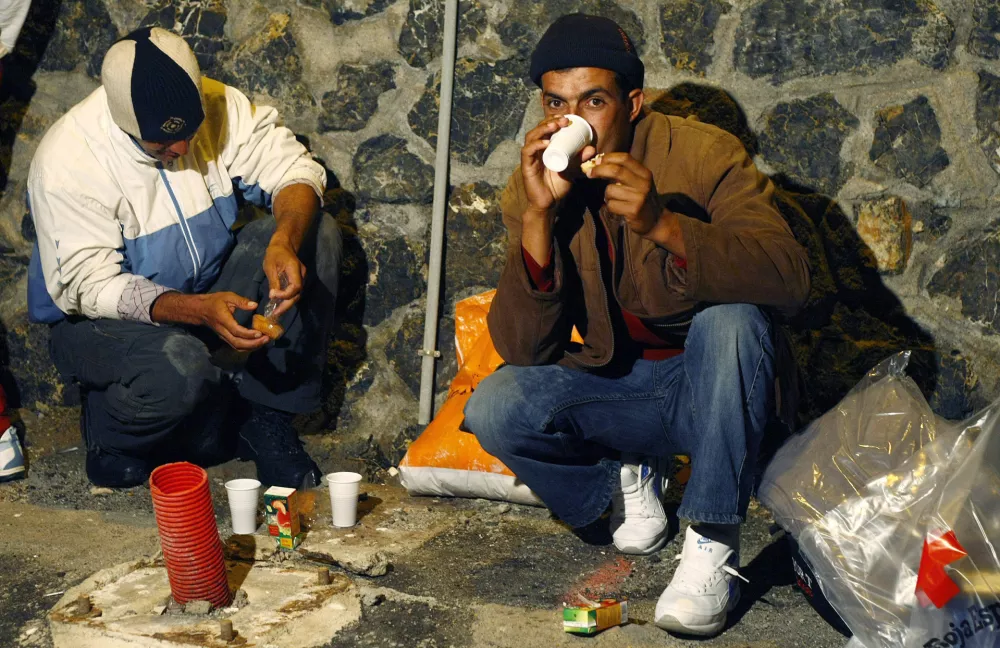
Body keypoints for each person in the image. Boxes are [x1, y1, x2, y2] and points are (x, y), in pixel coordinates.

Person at [462, 14, 810, 637]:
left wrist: (664, 225)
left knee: (730, 321)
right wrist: (538, 219)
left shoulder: (705, 153)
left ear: (632, 103)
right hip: (617, 385)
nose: (573, 120)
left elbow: (790, 277)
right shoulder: (536, 180)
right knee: (496, 404)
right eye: (556, 103)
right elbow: (523, 347)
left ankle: (710, 542)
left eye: (593, 101)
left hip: (714, 387)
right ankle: (621, 481)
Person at [26, 27, 341, 490]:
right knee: (181, 368)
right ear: (125, 126)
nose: (182, 151)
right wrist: (197, 311)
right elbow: (93, 286)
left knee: (319, 234)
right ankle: (113, 437)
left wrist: (284, 241)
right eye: (162, 147)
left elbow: (291, 168)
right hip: (99, 322)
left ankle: (264, 420)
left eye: (190, 134)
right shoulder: (68, 161)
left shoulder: (218, 105)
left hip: (204, 289)